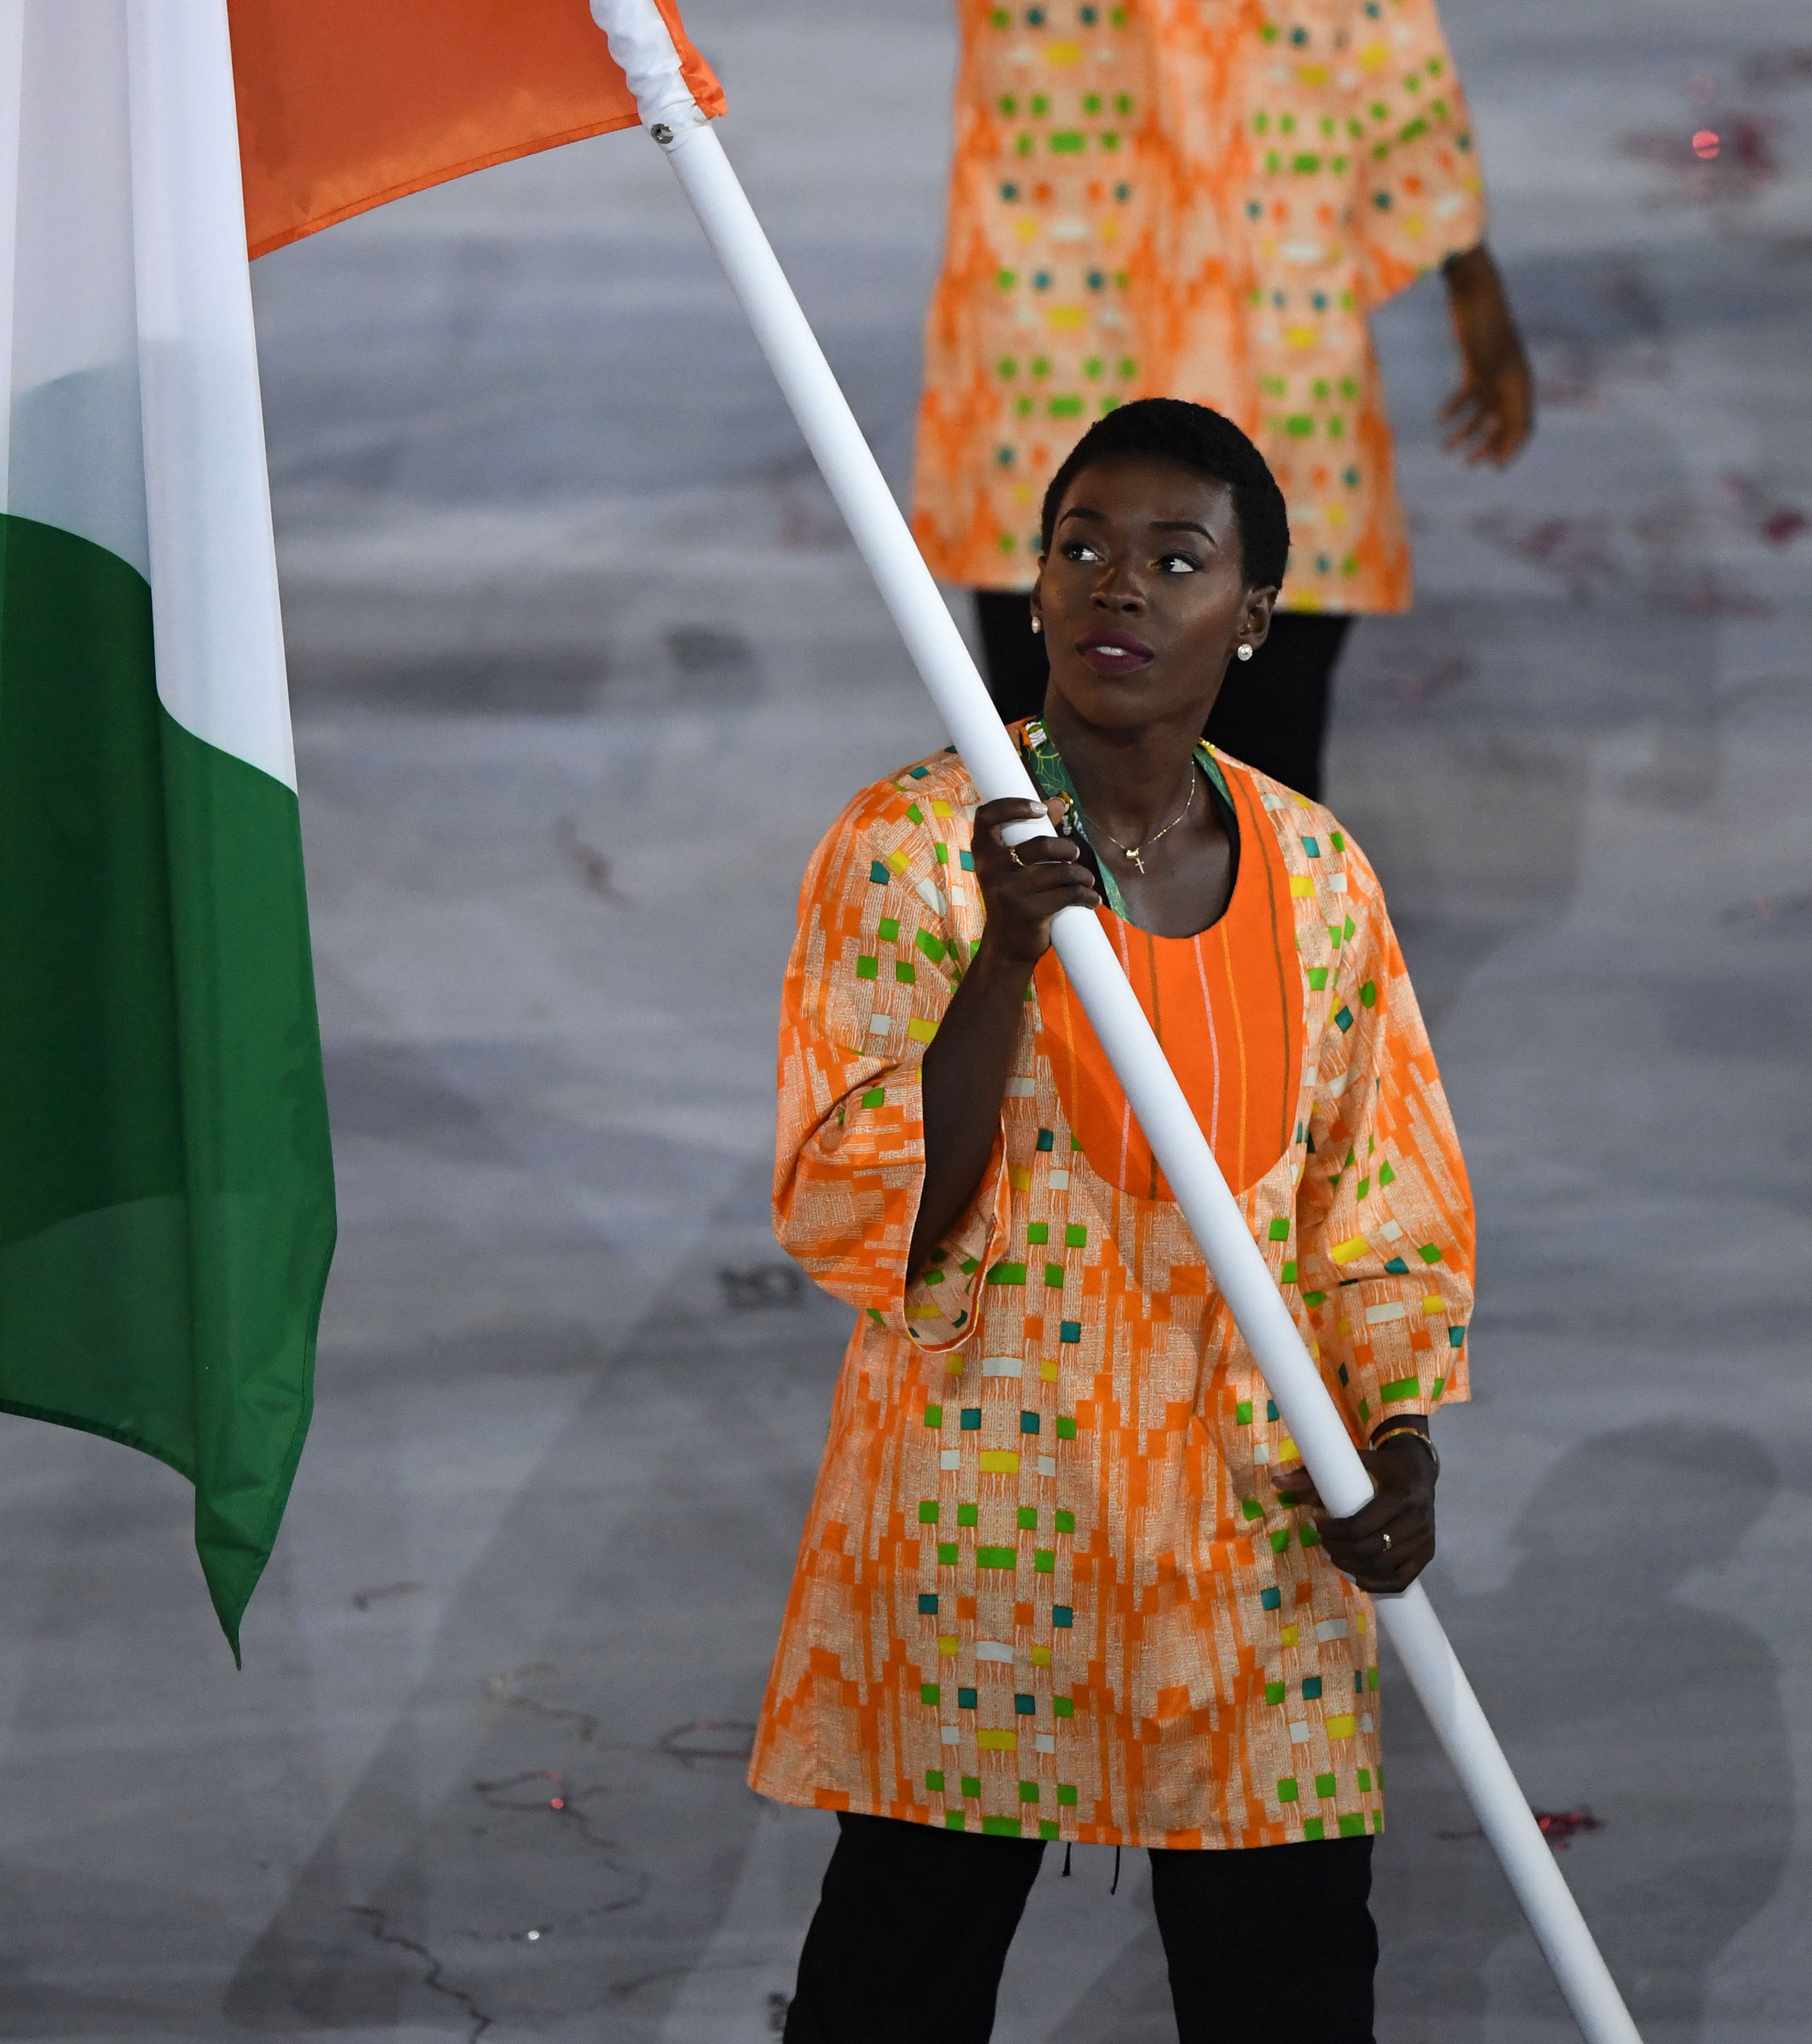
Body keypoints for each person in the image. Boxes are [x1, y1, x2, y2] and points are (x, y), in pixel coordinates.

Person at [755, 398, 1475, 2042]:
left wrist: (1405, 1440)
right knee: (898, 1980)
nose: (1117, 589)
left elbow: (1383, 1204)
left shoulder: (1321, 879)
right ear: (1031, 590)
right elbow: (859, 1208)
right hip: (983, 1526)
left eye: (1174, 558)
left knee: (1289, 1980)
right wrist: (1006, 956)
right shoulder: (917, 851)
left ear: (1258, 612)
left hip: (1249, 1527)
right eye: (1080, 548)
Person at [911, 0, 1533, 800]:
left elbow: (1375, 27)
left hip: (1131, 341)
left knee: (1220, 769)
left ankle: (1231, 921)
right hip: (1123, 335)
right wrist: (1467, 266)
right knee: (1058, 765)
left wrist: (1469, 266)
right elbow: (1383, 33)